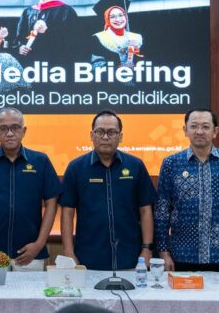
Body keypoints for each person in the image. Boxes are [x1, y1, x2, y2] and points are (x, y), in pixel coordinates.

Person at [155, 108, 219, 272]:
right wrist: (163, 253)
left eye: (205, 127)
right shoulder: (171, 164)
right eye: (194, 126)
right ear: (185, 130)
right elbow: (162, 212)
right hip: (182, 256)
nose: (199, 131)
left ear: (215, 131)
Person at [0, 107, 60, 271]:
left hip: (30, 255)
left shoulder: (40, 161)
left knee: (31, 290)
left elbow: (52, 202)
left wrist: (39, 244)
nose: (9, 133)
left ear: (24, 131)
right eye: (3, 129)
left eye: (15, 127)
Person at [59, 110, 156, 271]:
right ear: (91, 135)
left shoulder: (136, 166)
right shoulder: (76, 168)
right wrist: (68, 251)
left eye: (111, 132)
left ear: (120, 136)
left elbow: (146, 210)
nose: (105, 137)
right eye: (100, 132)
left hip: (131, 257)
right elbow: (67, 212)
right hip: (88, 258)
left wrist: (146, 249)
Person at [14, 0, 77, 65]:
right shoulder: (28, 12)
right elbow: (19, 38)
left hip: (57, 64)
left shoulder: (66, 11)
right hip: (31, 64)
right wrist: (21, 47)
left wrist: (47, 31)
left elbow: (74, 40)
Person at [90, 0, 143, 69]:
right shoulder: (98, 38)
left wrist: (136, 52)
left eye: (121, 15)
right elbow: (96, 67)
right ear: (107, 20)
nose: (118, 20)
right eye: (112, 17)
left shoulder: (136, 37)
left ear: (125, 17)